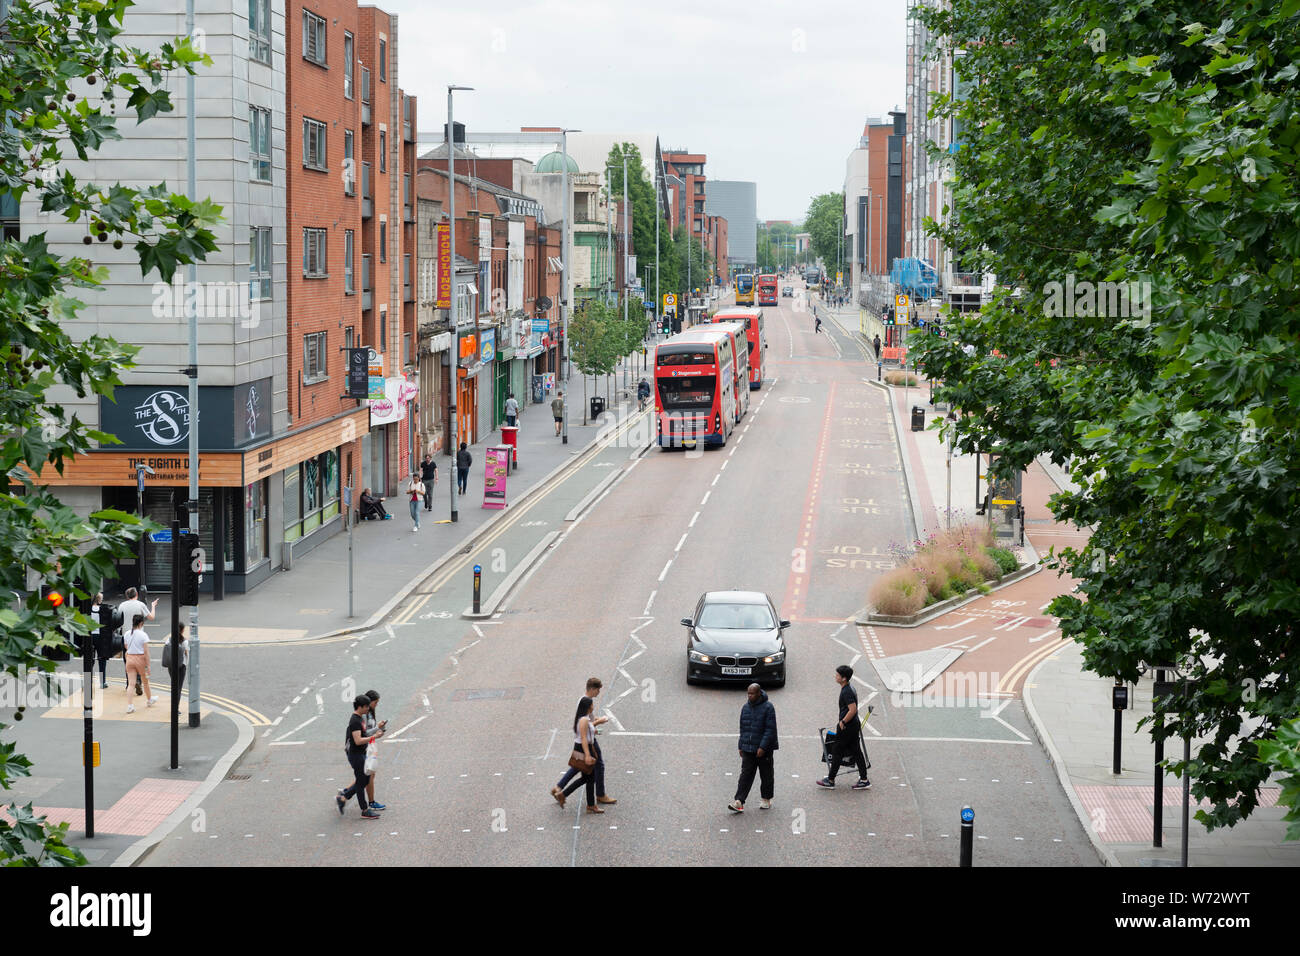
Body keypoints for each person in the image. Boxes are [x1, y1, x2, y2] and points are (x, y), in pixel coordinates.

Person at [551, 677, 616, 808]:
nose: (598, 693)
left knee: (578, 768)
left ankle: (560, 789)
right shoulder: (586, 703)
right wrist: (599, 722)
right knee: (595, 767)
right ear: (592, 689)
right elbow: (585, 725)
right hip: (586, 743)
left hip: (583, 740)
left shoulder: (582, 701)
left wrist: (594, 726)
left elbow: (585, 723)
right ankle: (599, 795)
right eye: (597, 690)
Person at [816, 665, 871, 790]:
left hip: (847, 726)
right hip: (853, 725)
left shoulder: (847, 691)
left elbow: (853, 709)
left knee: (837, 751)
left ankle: (830, 780)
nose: (835, 676)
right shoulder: (849, 687)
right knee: (856, 752)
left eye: (837, 675)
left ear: (844, 678)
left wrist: (843, 722)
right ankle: (864, 779)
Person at [729, 683, 778, 813]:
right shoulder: (745, 708)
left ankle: (766, 798)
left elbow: (770, 729)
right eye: (748, 693)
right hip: (748, 748)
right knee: (745, 775)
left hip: (764, 749)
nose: (750, 696)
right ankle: (739, 801)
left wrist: (762, 747)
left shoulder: (768, 707)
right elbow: (743, 728)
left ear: (759, 693)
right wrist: (741, 745)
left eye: (752, 693)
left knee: (766, 775)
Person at [337, 695, 383, 819]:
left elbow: (364, 734)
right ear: (360, 706)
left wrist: (376, 731)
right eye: (367, 706)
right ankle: (364, 809)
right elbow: (358, 740)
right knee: (362, 780)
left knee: (364, 780)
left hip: (360, 753)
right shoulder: (355, 721)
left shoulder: (360, 719)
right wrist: (374, 737)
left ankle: (343, 797)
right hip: (356, 755)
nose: (368, 709)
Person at [560, 696, 604, 814]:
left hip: (582, 747)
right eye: (592, 705)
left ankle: (590, 805)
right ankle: (564, 794)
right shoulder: (584, 720)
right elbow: (584, 738)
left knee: (589, 778)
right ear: (588, 707)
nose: (593, 706)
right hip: (583, 749)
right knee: (589, 778)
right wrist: (588, 755)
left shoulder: (583, 719)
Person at [122, 613, 156, 714]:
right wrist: (148, 665)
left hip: (130, 659)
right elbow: (146, 652)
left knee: (131, 684)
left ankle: (130, 706)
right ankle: (149, 700)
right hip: (141, 659)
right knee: (145, 682)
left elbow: (126, 646)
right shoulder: (143, 635)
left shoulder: (127, 633)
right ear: (141, 623)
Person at [363, 689, 388, 810]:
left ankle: (345, 794)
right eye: (376, 702)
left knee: (369, 774)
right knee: (368, 774)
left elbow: (372, 731)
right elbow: (364, 733)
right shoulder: (365, 714)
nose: (376, 705)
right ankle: (346, 794)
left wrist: (381, 729)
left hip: (370, 746)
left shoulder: (371, 713)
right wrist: (377, 728)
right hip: (365, 747)